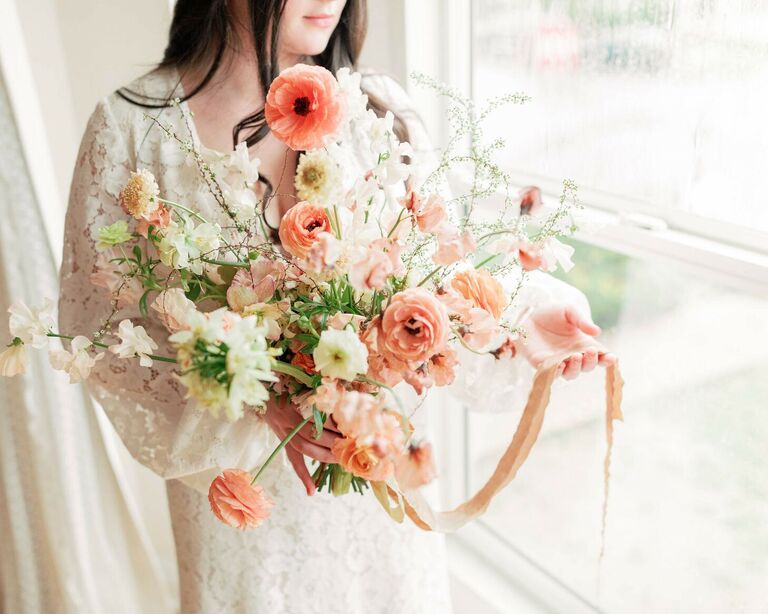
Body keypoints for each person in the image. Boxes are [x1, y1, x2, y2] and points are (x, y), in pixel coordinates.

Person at [58, 1, 613, 612]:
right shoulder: (131, 129)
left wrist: (526, 320)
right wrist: (262, 402)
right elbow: (103, 336)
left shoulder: (378, 107)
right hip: (247, 518)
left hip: (383, 504)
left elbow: (441, 272)